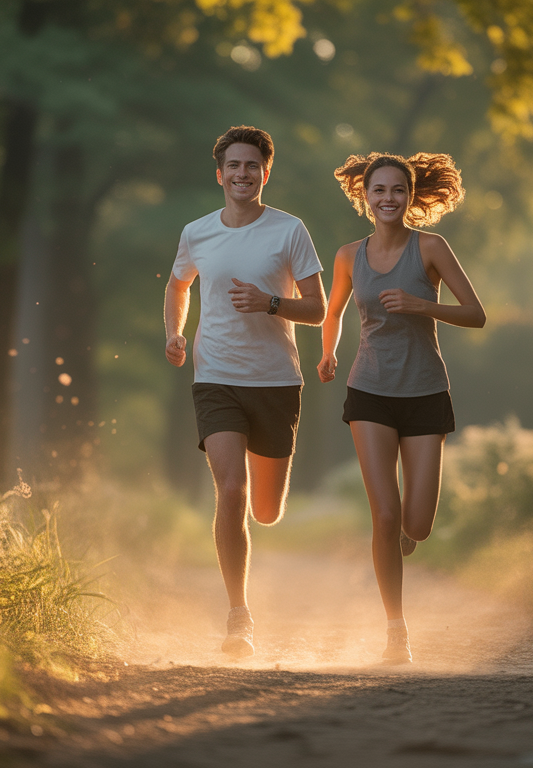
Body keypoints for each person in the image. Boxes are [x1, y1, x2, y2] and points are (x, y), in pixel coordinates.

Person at [164, 126, 327, 657]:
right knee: (231, 490)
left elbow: (318, 309)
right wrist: (174, 332)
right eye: (233, 165)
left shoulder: (290, 231)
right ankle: (239, 616)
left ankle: (262, 522)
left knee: (266, 510)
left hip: (275, 381)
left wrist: (270, 303)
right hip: (215, 377)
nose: (242, 173)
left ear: (265, 173)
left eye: (251, 165)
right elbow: (178, 284)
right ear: (220, 174)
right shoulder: (197, 232)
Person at [318, 152, 484, 664]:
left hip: (425, 392)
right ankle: (396, 629)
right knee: (386, 516)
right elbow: (333, 312)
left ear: (410, 197)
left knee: (418, 525)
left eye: (397, 190)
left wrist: (422, 305)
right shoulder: (349, 255)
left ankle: (406, 540)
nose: (388, 198)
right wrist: (328, 352)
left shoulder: (430, 248)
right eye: (379, 190)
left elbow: (476, 314)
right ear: (364, 197)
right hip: (369, 390)